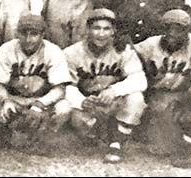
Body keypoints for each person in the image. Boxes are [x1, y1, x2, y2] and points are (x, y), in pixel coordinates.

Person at [135, 10, 191, 168]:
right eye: (168, 28)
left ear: (187, 30)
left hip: (187, 93)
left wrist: (189, 103)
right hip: (161, 96)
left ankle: (189, 143)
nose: (172, 33)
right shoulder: (151, 43)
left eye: (179, 29)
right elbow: (129, 55)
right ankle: (161, 131)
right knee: (159, 149)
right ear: (162, 29)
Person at [63, 9, 147, 164]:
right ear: (87, 29)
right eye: (96, 28)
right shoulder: (71, 52)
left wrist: (114, 90)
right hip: (88, 102)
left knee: (136, 98)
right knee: (78, 122)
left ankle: (117, 143)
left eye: (106, 29)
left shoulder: (122, 50)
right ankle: (100, 133)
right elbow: (65, 85)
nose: (101, 34)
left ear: (113, 31)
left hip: (112, 100)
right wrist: (80, 100)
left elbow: (140, 79)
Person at [0, 14, 71, 150]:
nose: (28, 39)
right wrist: (6, 100)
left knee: (64, 108)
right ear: (17, 33)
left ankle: (43, 138)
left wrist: (40, 104)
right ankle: (5, 136)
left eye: (34, 34)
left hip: (42, 99)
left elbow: (60, 89)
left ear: (42, 35)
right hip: (15, 98)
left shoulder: (53, 51)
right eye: (24, 33)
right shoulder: (7, 49)